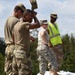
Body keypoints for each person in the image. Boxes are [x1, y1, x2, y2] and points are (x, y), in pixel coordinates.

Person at [13, 9, 40, 75]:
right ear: (24, 16)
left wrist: (27, 38)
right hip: (22, 53)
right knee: (26, 72)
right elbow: (37, 25)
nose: (31, 19)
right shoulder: (24, 24)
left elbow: (13, 37)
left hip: (16, 52)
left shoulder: (16, 25)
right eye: (30, 16)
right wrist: (34, 16)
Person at [4, 3, 26, 75]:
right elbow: (16, 35)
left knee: (9, 70)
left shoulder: (8, 19)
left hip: (8, 48)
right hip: (14, 47)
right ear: (19, 11)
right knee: (16, 70)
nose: (22, 16)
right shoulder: (16, 21)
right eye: (22, 13)